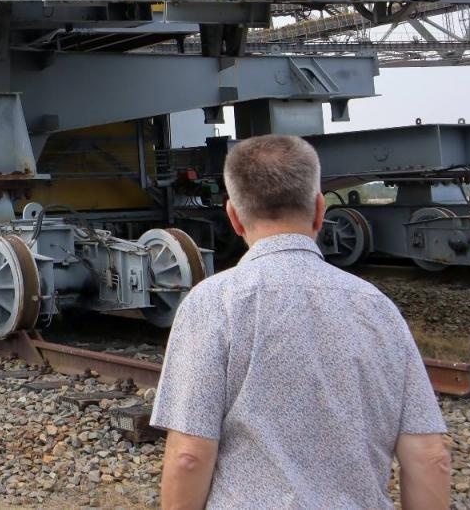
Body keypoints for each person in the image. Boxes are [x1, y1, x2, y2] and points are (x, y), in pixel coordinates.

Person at [152, 135, 451, 510]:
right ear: (320, 210)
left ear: (234, 217)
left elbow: (189, 457)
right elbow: (429, 457)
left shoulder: (212, 303)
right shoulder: (377, 308)